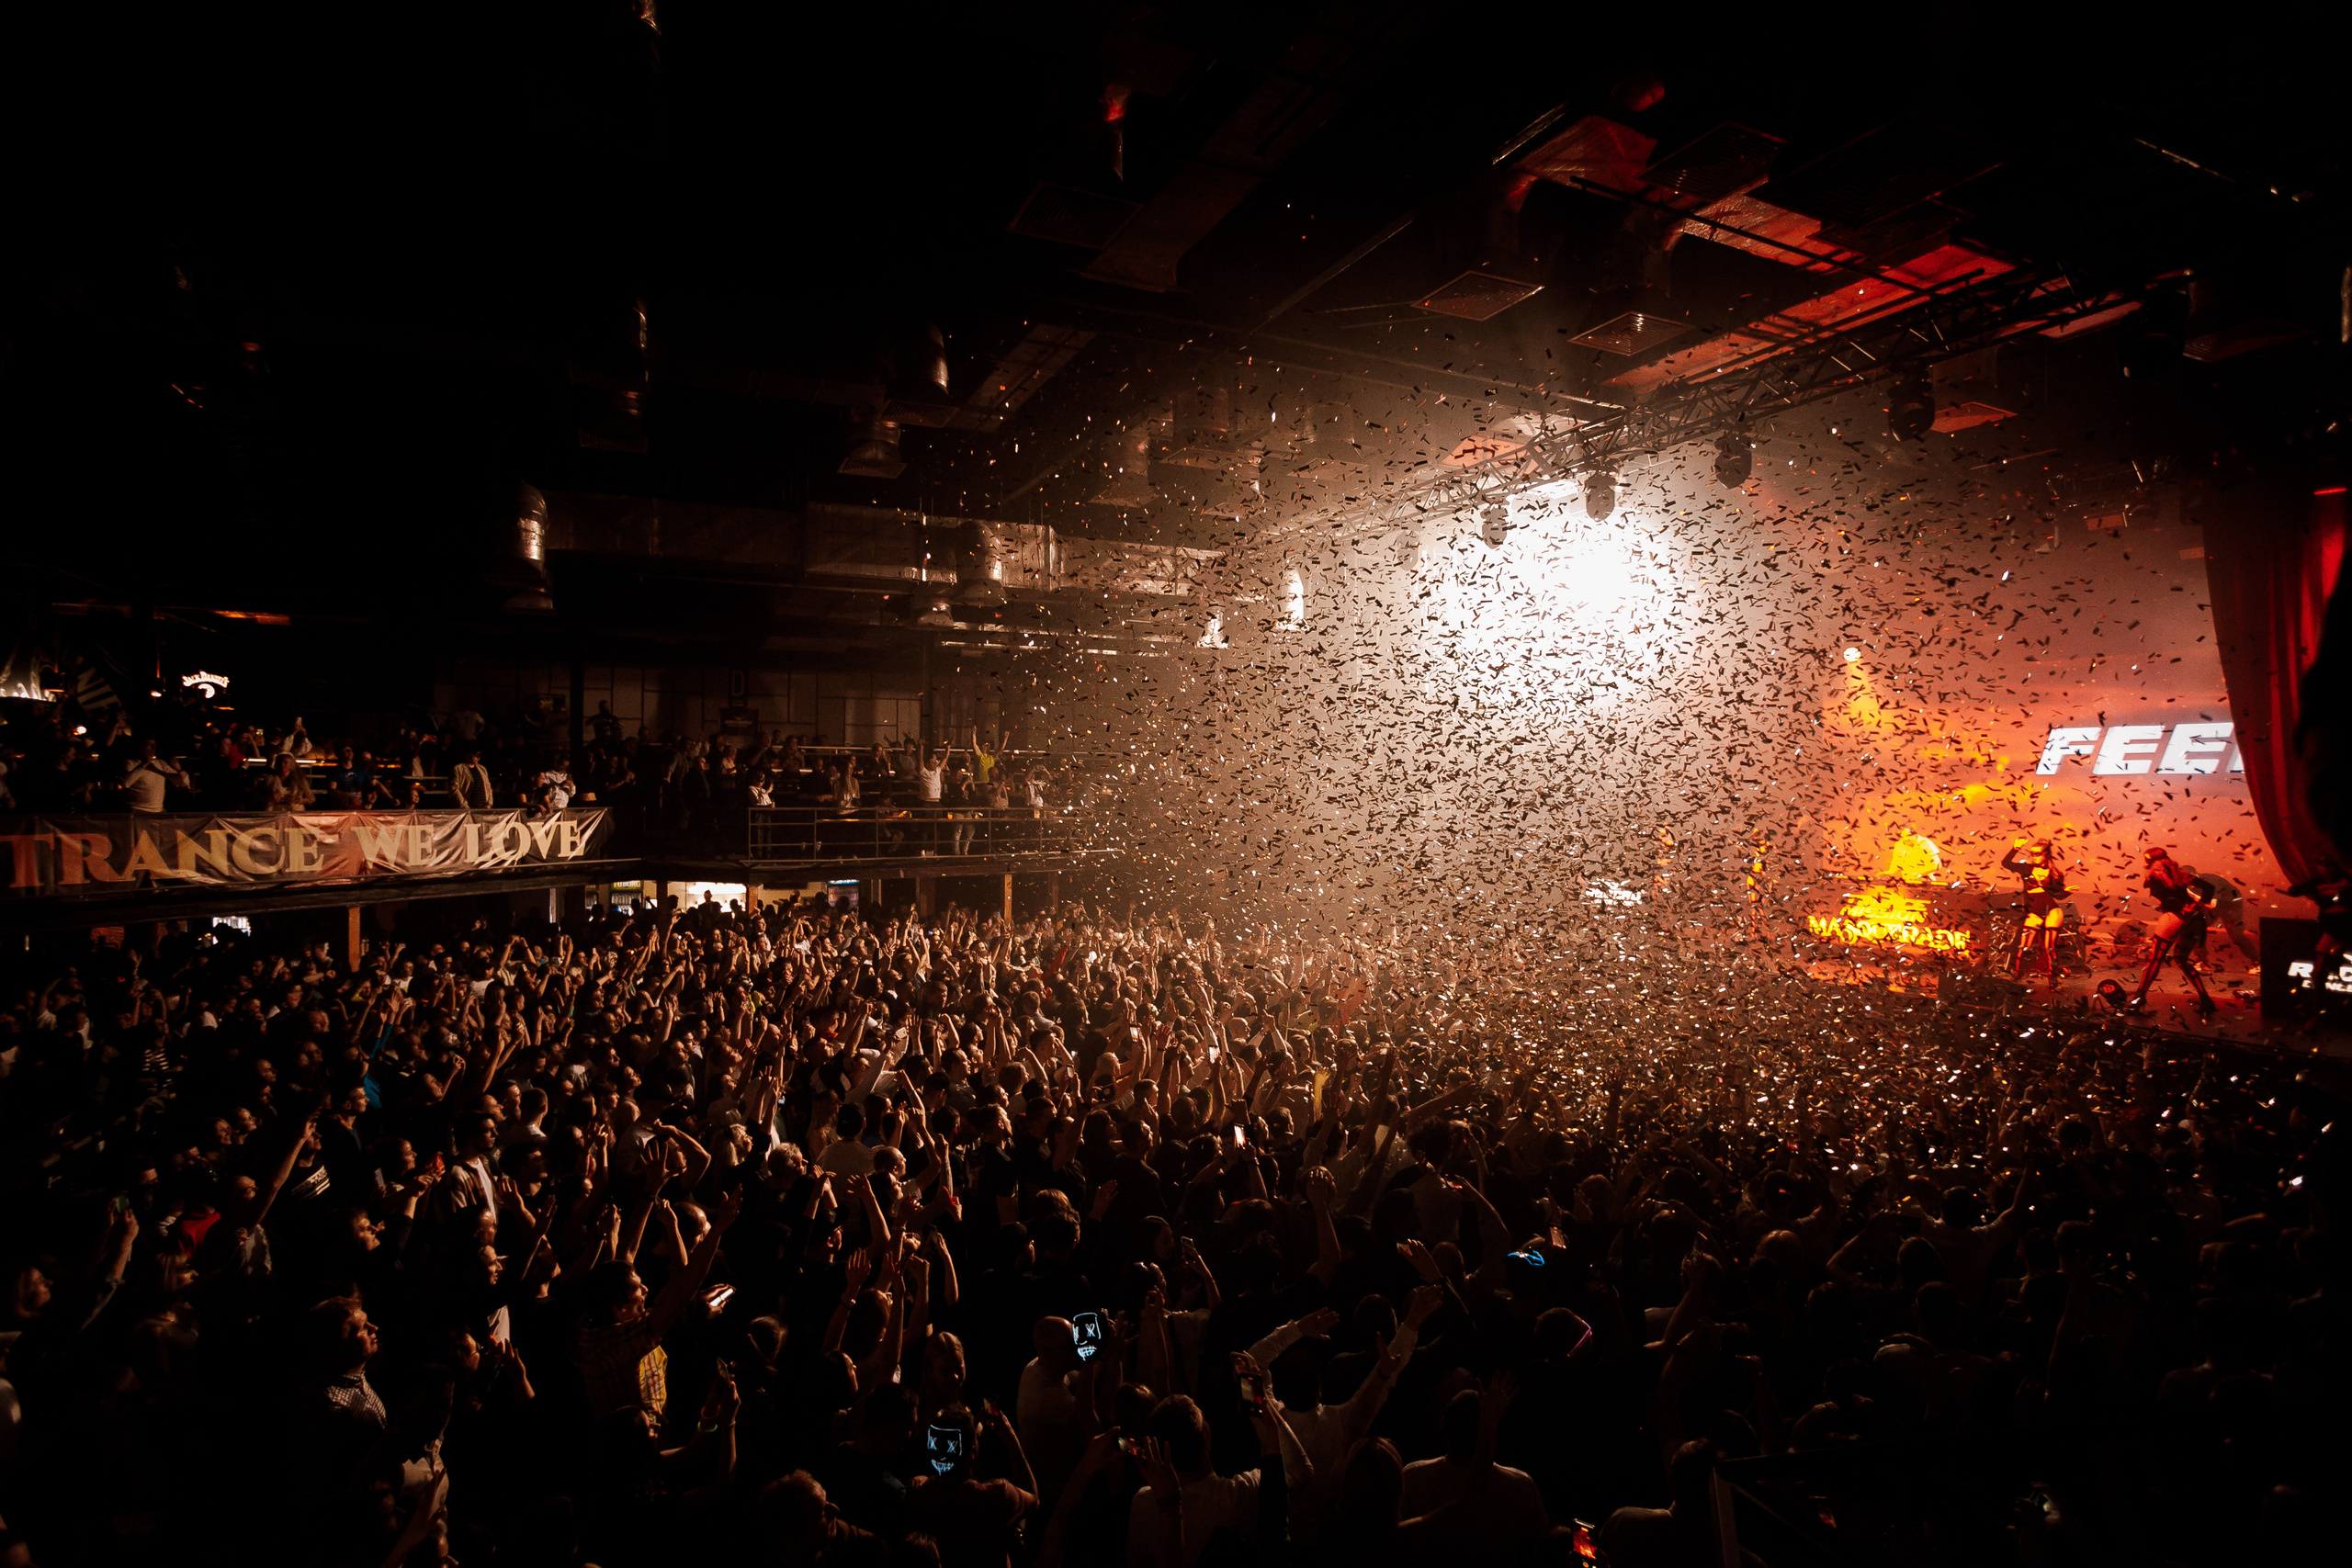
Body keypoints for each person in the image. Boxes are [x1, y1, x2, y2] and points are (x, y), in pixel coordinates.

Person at [2132, 847, 2217, 1014]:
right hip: (2195, 919)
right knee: (2181, 959)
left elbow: (2166, 903)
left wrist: (2176, 908)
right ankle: (2206, 1000)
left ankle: (2138, 999)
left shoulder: (2154, 877)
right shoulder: (2179, 873)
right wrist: (2195, 905)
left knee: (2155, 959)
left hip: (2174, 918)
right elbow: (2209, 887)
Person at [2000, 837, 2069, 987]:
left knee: (2049, 946)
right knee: (2023, 945)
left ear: (2046, 854)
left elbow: (2058, 895)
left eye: (2038, 854)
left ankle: (2053, 978)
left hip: (2051, 910)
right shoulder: (2027, 869)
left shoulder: (2055, 873)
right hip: (2034, 912)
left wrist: (2066, 892)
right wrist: (2015, 848)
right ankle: (2016, 974)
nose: (2034, 856)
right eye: (2032, 853)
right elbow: (2006, 864)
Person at [119, 739, 187, 813]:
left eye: (154, 745)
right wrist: (144, 765)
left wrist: (179, 770)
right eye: (149, 745)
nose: (153, 748)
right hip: (136, 811)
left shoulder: (160, 763)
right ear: (141, 746)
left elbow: (182, 783)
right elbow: (125, 783)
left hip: (158, 812)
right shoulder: (130, 763)